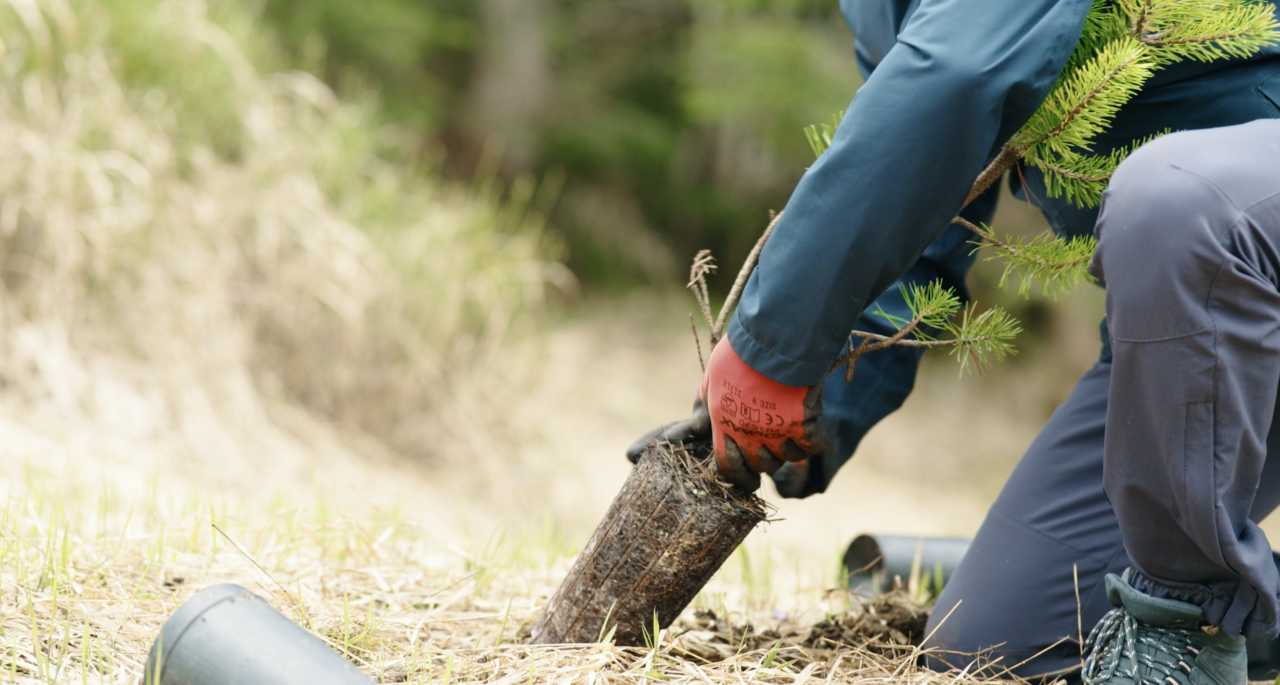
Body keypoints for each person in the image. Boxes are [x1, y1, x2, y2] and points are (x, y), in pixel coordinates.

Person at [627, 1, 1280, 683]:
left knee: (1176, 200)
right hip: (1199, 333)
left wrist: (771, 346)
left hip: (1238, 231)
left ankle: (1186, 622)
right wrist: (793, 416)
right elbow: (920, 209)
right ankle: (1246, 601)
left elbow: (960, 70)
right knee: (995, 647)